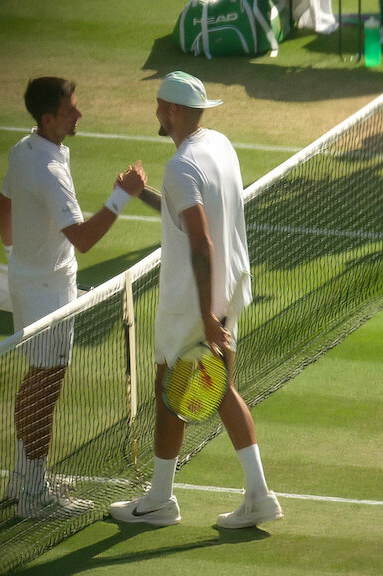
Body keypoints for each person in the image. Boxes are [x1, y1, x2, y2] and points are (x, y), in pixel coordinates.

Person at [109, 71, 283, 528]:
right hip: (230, 289)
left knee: (171, 391)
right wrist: (138, 192)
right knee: (219, 389)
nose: (156, 113)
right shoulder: (218, 145)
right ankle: (258, 494)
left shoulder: (181, 165)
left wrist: (205, 315)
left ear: (174, 111)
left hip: (192, 302)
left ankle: (160, 501)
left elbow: (200, 243)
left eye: (160, 106)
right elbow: (183, 211)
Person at [0, 76, 147, 518]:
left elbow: (3, 208)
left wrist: (16, 259)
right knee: (45, 388)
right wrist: (123, 195)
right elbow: (83, 239)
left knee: (36, 382)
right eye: (70, 110)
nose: (79, 114)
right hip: (49, 294)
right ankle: (33, 495)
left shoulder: (23, 151)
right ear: (48, 119)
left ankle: (24, 477)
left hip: (31, 283)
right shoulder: (49, 170)